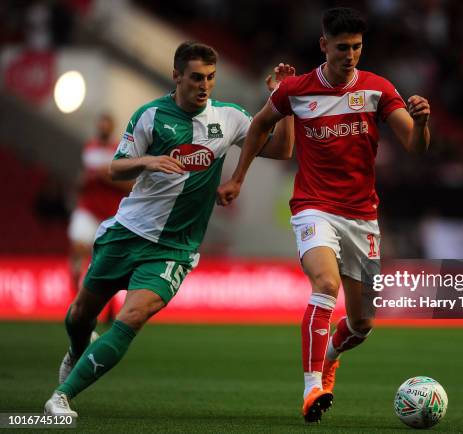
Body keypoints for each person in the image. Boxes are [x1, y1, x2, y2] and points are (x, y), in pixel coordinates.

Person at [44, 41, 295, 417]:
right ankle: (77, 351)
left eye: (210, 77)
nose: (204, 85)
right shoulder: (149, 116)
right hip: (128, 231)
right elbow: (115, 168)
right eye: (196, 77)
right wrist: (149, 161)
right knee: (80, 315)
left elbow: (281, 150)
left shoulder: (228, 118)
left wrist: (284, 102)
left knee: (132, 316)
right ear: (177, 75)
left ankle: (62, 396)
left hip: (174, 247)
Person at [217, 7, 430, 423]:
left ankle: (330, 357)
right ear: (323, 45)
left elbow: (414, 145)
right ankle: (312, 386)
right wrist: (238, 177)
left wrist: (422, 124)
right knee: (325, 283)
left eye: (356, 47)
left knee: (363, 322)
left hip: (362, 217)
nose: (350, 55)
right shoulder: (296, 90)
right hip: (314, 207)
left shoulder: (377, 89)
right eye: (342, 47)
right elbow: (260, 125)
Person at [68, 113, 133, 321]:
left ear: (112, 127)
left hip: (111, 213)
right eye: (101, 124)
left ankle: (111, 307)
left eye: (107, 125)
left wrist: (106, 177)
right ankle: (75, 305)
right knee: (78, 253)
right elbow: (83, 179)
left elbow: (130, 185)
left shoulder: (120, 152)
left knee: (107, 262)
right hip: (87, 209)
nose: (103, 128)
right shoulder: (89, 149)